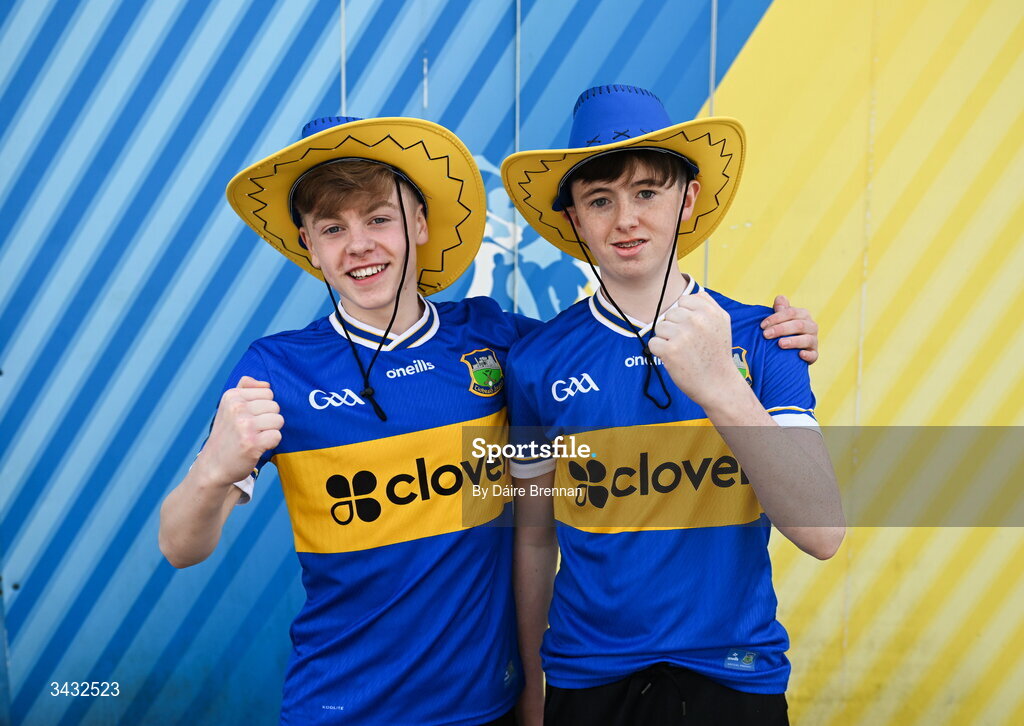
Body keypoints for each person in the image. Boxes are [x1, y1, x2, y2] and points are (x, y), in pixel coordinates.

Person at [159, 113, 821, 725]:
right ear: (307, 243)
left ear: (418, 223)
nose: (359, 246)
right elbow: (180, 546)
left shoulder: (498, 342)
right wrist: (213, 472)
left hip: (486, 706)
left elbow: (612, 339)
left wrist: (771, 339)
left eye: (379, 219)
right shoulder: (277, 369)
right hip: (338, 706)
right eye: (333, 229)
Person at [501, 84, 844, 725]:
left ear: (687, 200)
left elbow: (823, 532)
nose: (625, 219)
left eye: (647, 193)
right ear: (573, 219)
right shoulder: (536, 362)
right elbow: (533, 537)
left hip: (734, 676)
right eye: (600, 200)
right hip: (588, 677)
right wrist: (528, 686)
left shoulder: (766, 338)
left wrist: (719, 383)